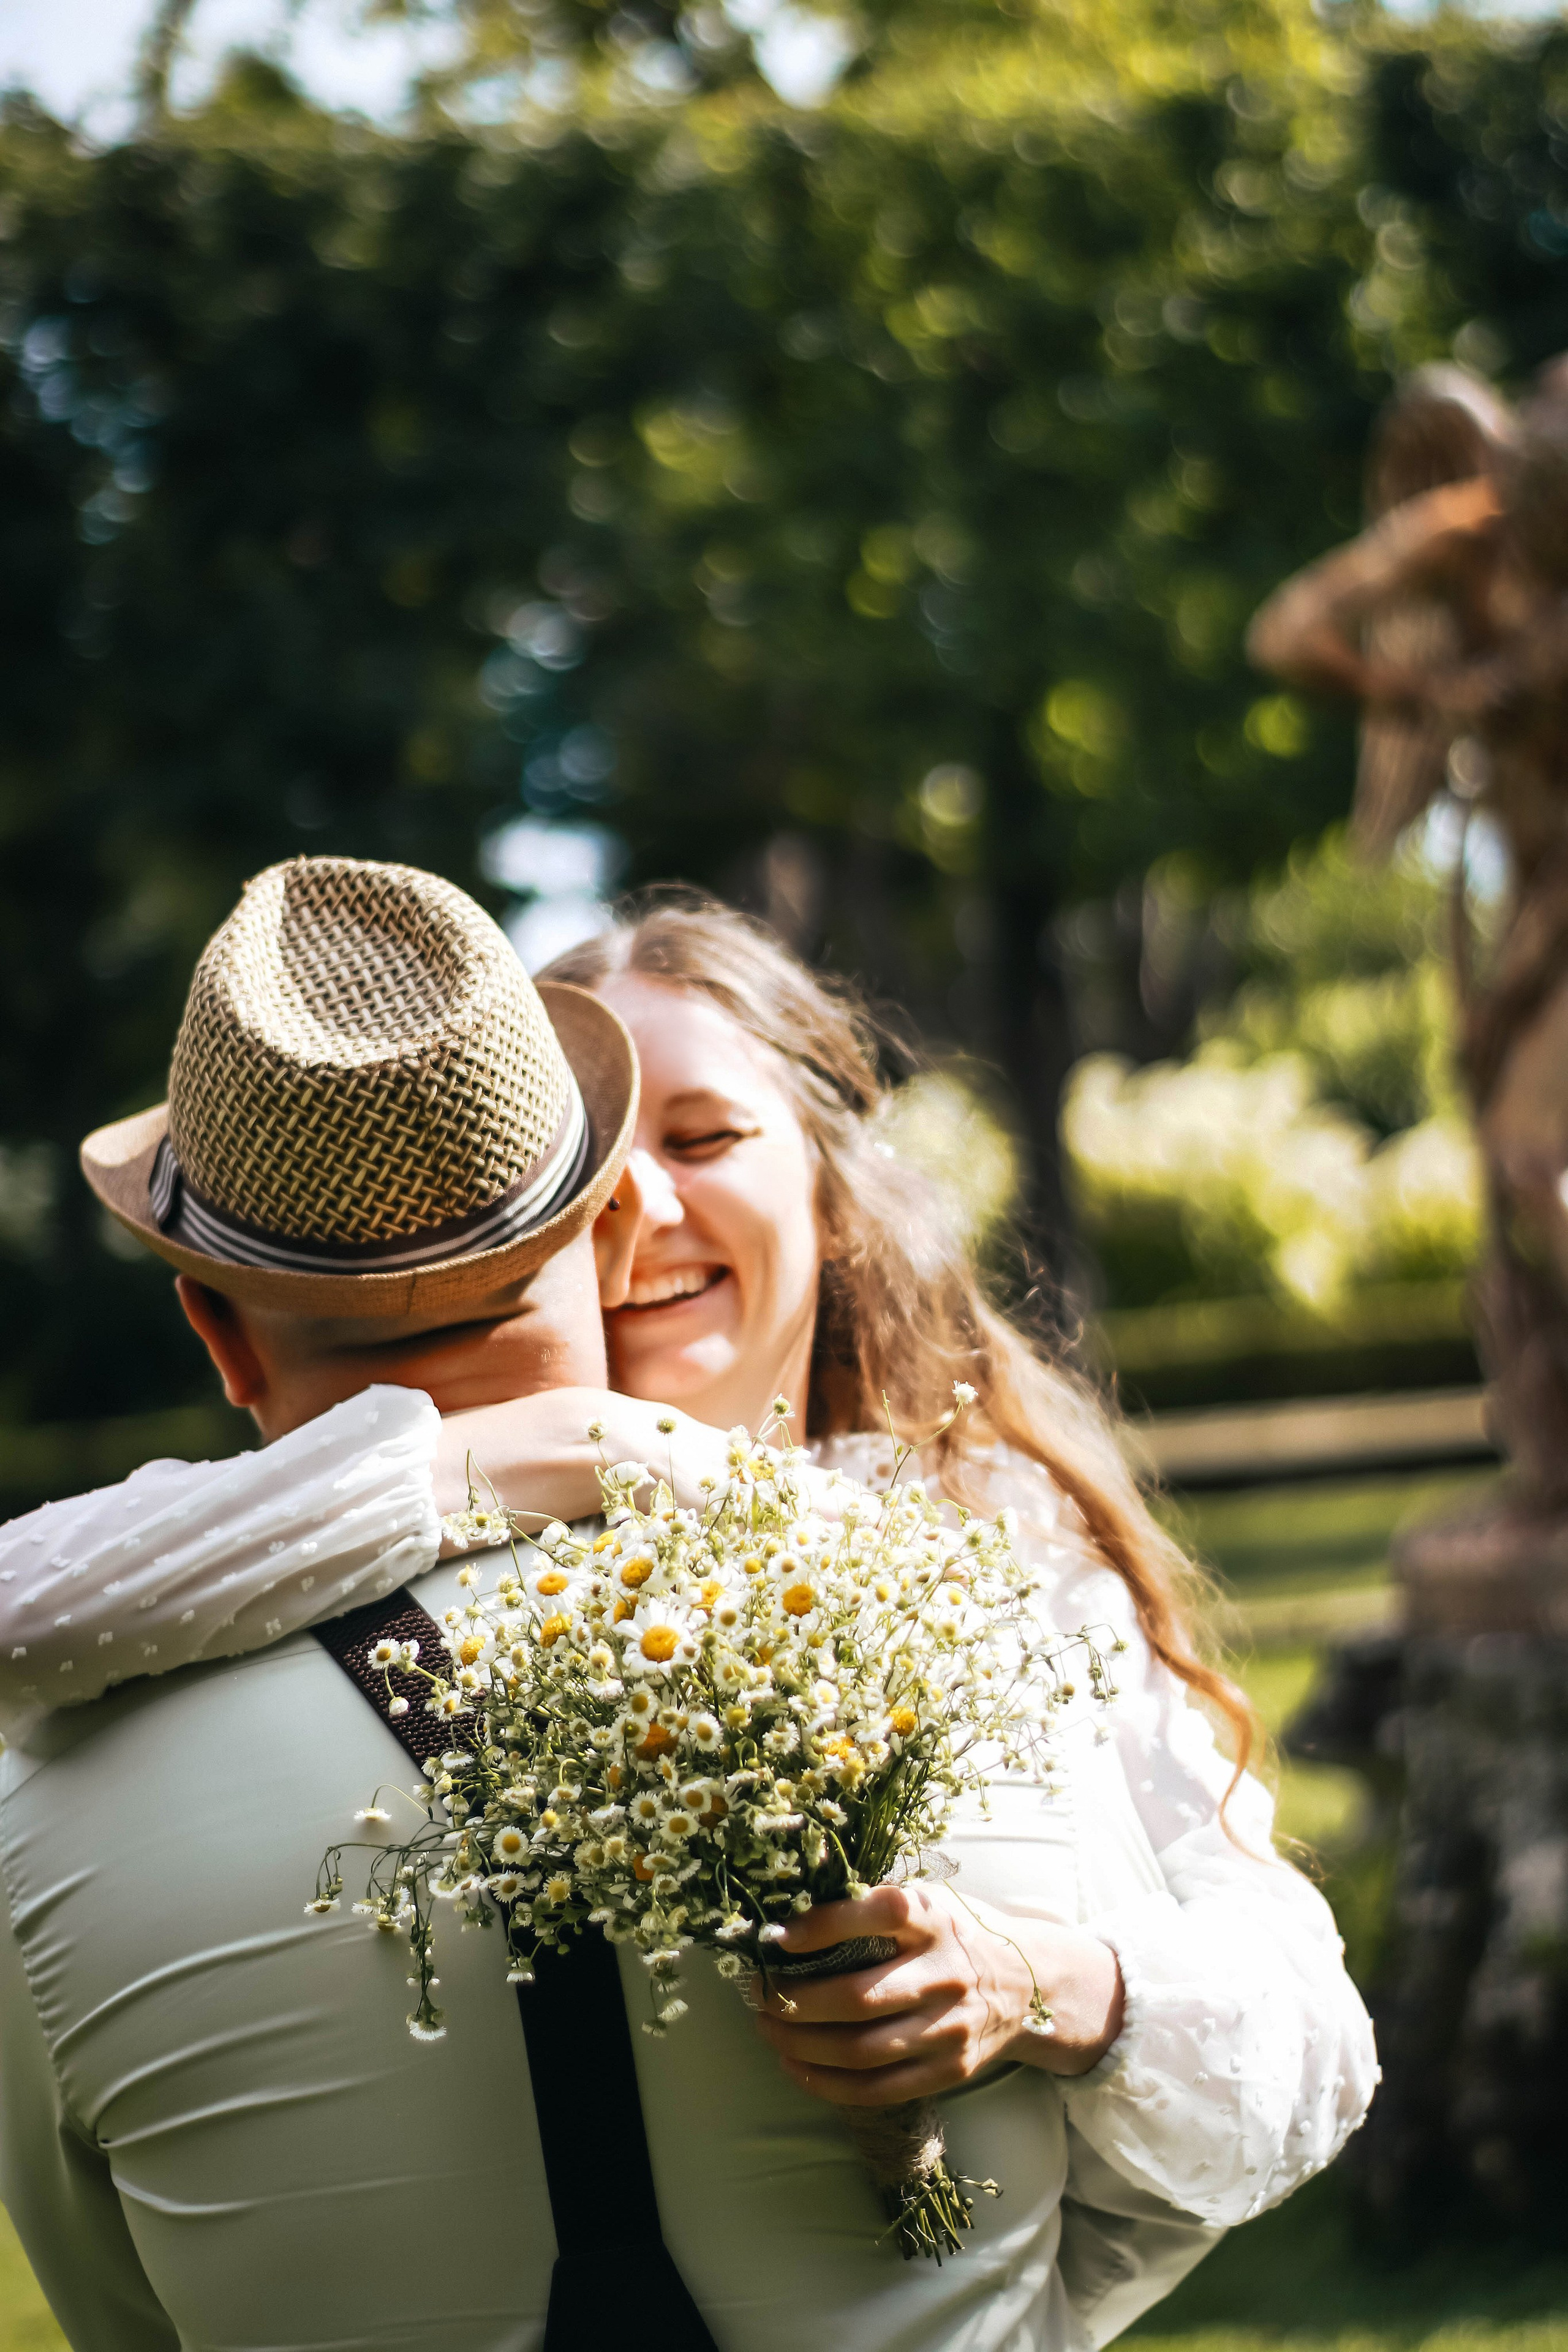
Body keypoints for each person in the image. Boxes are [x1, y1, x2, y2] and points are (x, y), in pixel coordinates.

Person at [0, 873, 1377, 2350]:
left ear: (214, 1329)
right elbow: (1098, 2232)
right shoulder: (956, 1630)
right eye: (626, 1162)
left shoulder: (982, 1570)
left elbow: (125, 2304)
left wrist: (1041, 1985)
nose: (656, 1203)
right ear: (592, 1230)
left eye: (705, 1136)